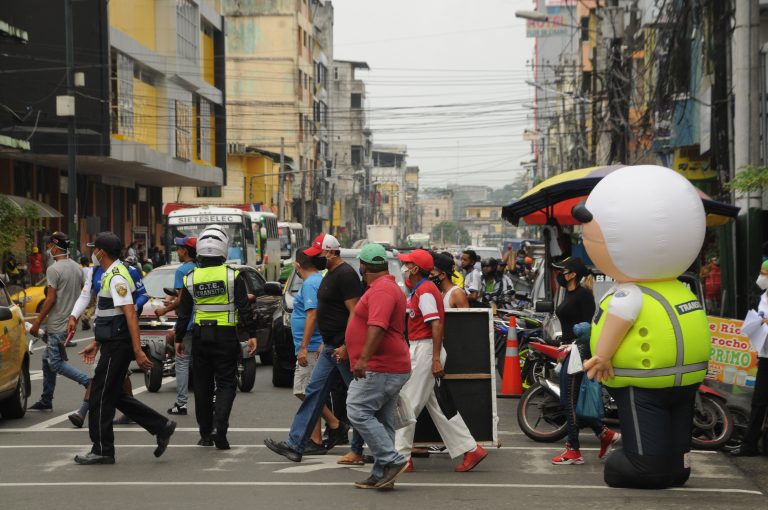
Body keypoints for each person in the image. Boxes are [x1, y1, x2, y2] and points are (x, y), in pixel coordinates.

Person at [576, 165, 711, 489]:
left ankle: (645, 464)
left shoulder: (630, 293)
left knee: (639, 445)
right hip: (686, 378)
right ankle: (678, 465)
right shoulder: (681, 287)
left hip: (643, 381)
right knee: (677, 428)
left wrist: (603, 356)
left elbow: (619, 319)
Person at [74, 232, 176, 465]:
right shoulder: (112, 273)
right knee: (114, 394)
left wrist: (138, 350)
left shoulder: (117, 278)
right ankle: (161, 426)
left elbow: (129, 314)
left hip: (117, 346)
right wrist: (97, 341)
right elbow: (112, 316)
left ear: (101, 252)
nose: (93, 254)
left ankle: (102, 449)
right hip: (111, 343)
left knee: (100, 396)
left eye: (94, 250)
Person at [264, 233, 363, 463]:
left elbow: (356, 313)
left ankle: (361, 449)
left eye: (317, 254)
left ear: (329, 253)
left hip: (340, 348)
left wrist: (347, 345)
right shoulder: (330, 274)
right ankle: (295, 444)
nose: (314, 259)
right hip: (329, 348)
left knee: (358, 399)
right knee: (313, 394)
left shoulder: (345, 275)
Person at [395, 249, 488, 472]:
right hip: (424, 349)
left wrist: (435, 359)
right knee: (436, 408)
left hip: (426, 350)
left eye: (407, 264)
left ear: (416, 269)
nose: (405, 268)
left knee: (408, 404)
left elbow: (436, 325)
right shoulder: (421, 289)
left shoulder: (425, 291)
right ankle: (470, 448)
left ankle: (400, 457)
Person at [174, 225, 259, 449]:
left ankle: (205, 434)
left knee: (202, 387)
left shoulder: (191, 278)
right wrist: (251, 334)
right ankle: (219, 430)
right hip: (226, 337)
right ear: (223, 250)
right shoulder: (233, 276)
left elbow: (183, 314)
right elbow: (244, 308)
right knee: (225, 384)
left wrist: (178, 338)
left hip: (201, 337)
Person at [346, 243, 411, 489]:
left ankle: (391, 460)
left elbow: (377, 326)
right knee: (384, 421)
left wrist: (363, 358)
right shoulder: (385, 287)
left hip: (381, 365)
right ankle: (382, 474)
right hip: (388, 365)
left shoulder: (382, 290)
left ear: (363, 266)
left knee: (357, 409)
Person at [549, 257, 619, 465]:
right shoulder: (568, 293)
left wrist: (581, 350)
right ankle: (604, 433)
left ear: (572, 274)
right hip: (568, 351)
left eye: (563, 271)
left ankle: (573, 451)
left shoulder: (584, 296)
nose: (559, 274)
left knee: (570, 402)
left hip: (578, 354)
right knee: (570, 401)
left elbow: (590, 328)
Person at [28, 233, 89, 412]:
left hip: (57, 324)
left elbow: (51, 298)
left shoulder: (53, 269)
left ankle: (88, 382)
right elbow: (84, 292)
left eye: (49, 246)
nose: (48, 250)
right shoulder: (77, 267)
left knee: (55, 363)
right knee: (47, 360)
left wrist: (37, 322)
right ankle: (46, 399)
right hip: (69, 321)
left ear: (54, 247)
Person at [291, 249, 341, 452]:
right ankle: (316, 439)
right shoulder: (316, 281)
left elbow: (313, 315)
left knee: (303, 390)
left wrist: (304, 347)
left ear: (297, 266)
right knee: (312, 391)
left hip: (312, 346)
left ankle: (335, 424)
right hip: (313, 344)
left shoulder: (311, 284)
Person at [730, 260, 768, 457]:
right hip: (766, 356)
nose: (761, 277)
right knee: (759, 401)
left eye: (764, 273)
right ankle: (749, 445)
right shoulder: (762, 298)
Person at [156, 236, 197, 416]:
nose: (177, 252)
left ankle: (181, 404)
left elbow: (181, 301)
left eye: (179, 249)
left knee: (181, 362)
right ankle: (212, 400)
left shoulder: (183, 271)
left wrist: (164, 311)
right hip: (203, 323)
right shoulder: (202, 268)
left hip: (187, 324)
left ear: (185, 251)